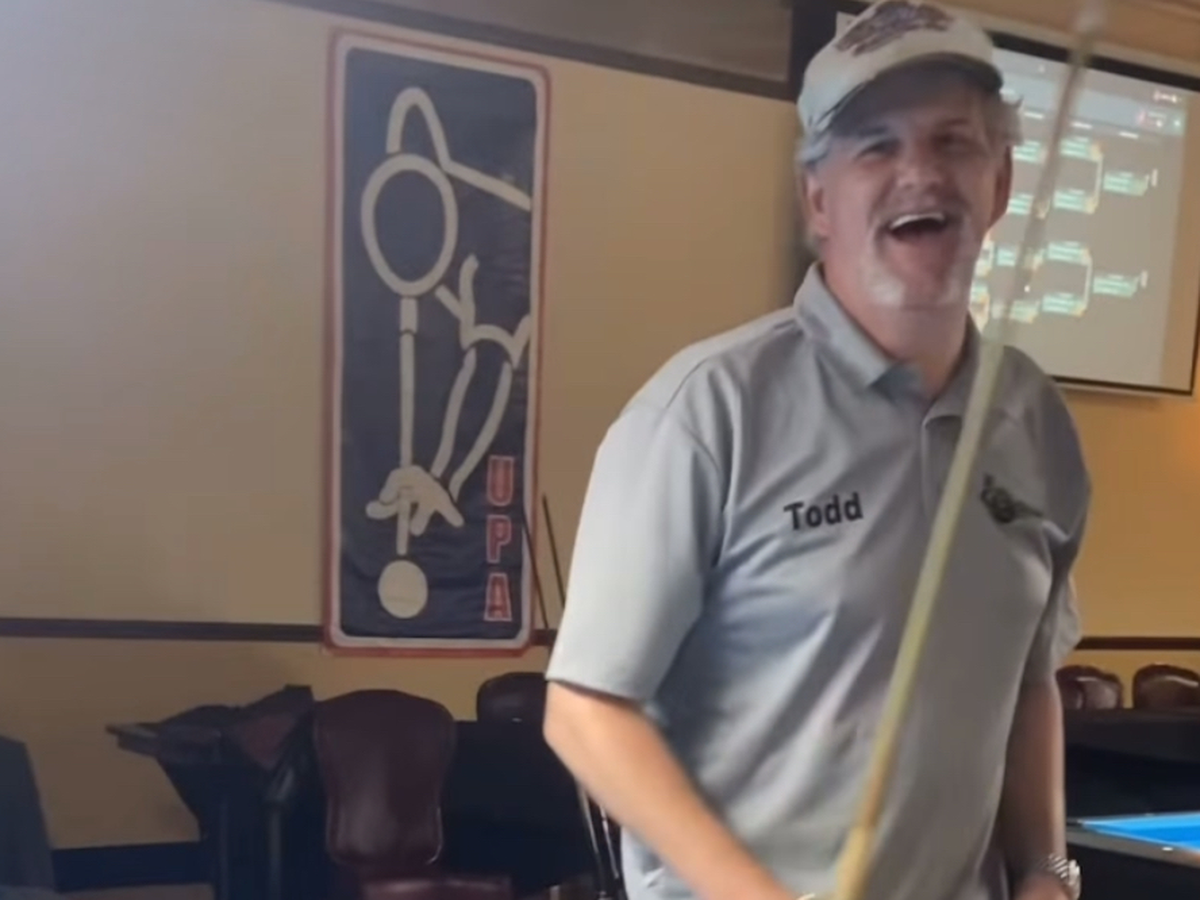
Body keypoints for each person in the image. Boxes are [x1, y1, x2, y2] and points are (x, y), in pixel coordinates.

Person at [542, 2, 1091, 900]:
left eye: (954, 142)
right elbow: (585, 710)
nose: (921, 172)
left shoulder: (1036, 421)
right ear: (818, 201)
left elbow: (1029, 683)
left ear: (1000, 184)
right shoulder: (706, 410)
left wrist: (1046, 867)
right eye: (876, 146)